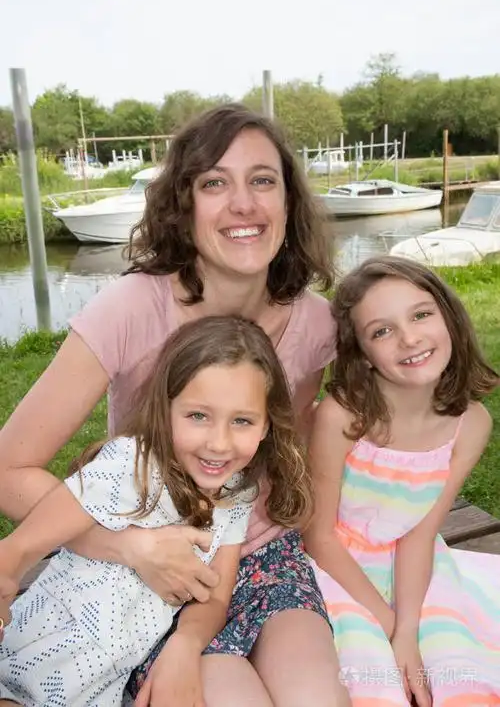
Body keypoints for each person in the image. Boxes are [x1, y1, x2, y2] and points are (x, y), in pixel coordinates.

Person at [0, 104, 348, 706]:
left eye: (262, 180)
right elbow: (8, 469)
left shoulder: (315, 323)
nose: (243, 204)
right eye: (214, 183)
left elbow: (279, 447)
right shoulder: (130, 309)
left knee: (317, 697)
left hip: (259, 553)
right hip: (148, 580)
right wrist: (127, 545)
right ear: (183, 206)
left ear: (289, 202)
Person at [0, 315, 314, 706]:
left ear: (266, 426)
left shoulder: (237, 495)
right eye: (198, 416)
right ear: (166, 410)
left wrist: (186, 643)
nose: (218, 443)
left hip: (100, 689)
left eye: (242, 421)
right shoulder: (131, 464)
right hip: (28, 666)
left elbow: (215, 595)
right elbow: (18, 549)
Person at [304, 255, 500, 706]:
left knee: (452, 668)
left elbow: (420, 534)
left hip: (416, 566)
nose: (409, 338)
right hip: (335, 569)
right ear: (362, 354)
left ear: (448, 316)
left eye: (420, 315)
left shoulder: (471, 424)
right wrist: (390, 626)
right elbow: (319, 537)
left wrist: (409, 627)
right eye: (382, 331)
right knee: (371, 676)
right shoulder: (343, 417)